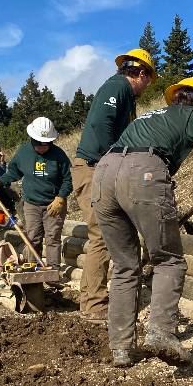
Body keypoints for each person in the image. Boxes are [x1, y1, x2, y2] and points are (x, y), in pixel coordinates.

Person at [93, 77, 193, 368]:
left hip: (103, 175)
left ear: (175, 97)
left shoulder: (150, 118)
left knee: (125, 265)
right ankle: (161, 333)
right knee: (168, 260)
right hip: (142, 173)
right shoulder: (192, 114)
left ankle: (121, 348)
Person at [71, 48, 156, 324]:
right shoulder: (117, 86)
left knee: (106, 233)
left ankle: (90, 299)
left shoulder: (125, 96)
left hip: (100, 167)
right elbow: (102, 123)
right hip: (94, 168)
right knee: (102, 234)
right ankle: (94, 303)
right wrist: (114, 159)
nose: (147, 86)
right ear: (140, 73)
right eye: (148, 79)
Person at [0, 117, 72, 268]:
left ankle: (53, 271)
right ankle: (32, 268)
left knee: (52, 238)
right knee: (33, 237)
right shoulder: (24, 153)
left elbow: (68, 180)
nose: (43, 147)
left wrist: (61, 198)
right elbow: (13, 173)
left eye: (47, 143)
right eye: (39, 143)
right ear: (32, 139)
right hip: (31, 204)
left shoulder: (59, 155)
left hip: (54, 204)